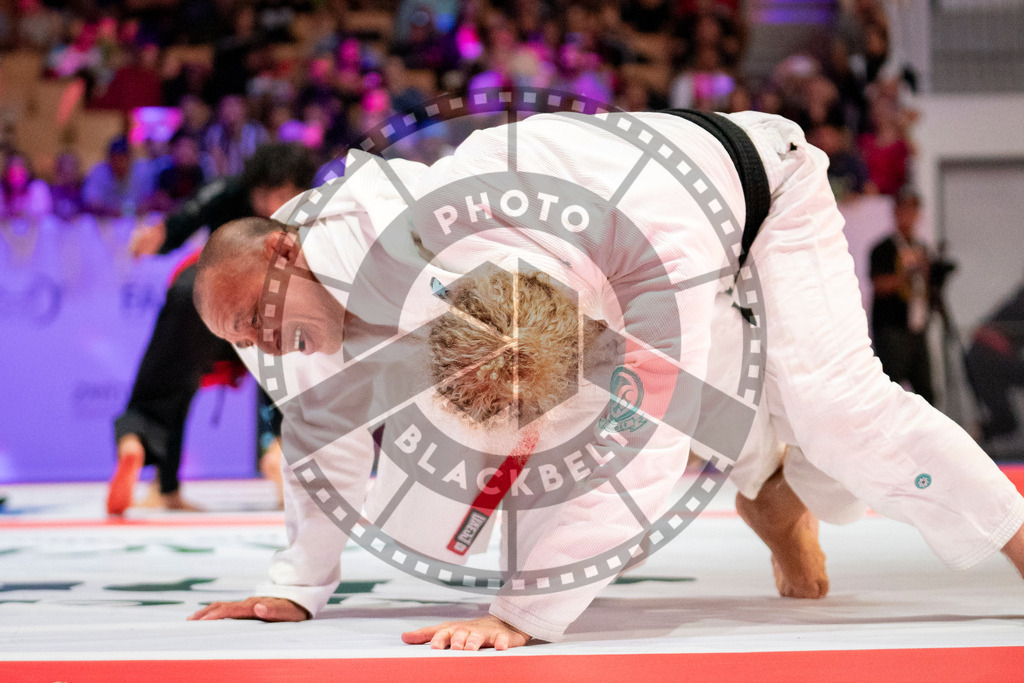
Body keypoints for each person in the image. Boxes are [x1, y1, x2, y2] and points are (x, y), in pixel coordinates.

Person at [188, 109, 1024, 649]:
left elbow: (636, 419)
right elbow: (320, 435)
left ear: (283, 248)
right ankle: (768, 476)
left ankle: (1001, 535)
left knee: (837, 409)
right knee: (510, 422)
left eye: (257, 319)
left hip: (731, 194)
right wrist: (295, 586)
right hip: (597, 244)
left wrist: (522, 613)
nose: (261, 340)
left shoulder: (440, 251)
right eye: (241, 337)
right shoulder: (273, 309)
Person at [107, 143, 317, 514]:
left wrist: (160, 235)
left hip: (201, 294)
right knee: (285, 373)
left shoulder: (232, 189)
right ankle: (279, 452)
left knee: (169, 383)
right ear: (250, 187)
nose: (271, 207)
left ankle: (144, 458)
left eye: (281, 196)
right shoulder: (310, 209)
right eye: (265, 195)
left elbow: (186, 214)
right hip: (249, 301)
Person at [869, 188, 934, 404]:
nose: (909, 215)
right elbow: (879, 284)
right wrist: (907, 274)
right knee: (890, 392)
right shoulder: (883, 249)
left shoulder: (921, 247)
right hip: (892, 331)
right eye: (904, 209)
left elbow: (927, 287)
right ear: (896, 212)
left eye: (913, 210)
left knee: (927, 393)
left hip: (916, 328)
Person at [966, 281, 1024, 447]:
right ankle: (963, 439)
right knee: (1005, 421)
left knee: (1006, 422)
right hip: (985, 359)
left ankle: (966, 437)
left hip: (987, 359)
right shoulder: (1019, 303)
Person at [81, 136, 154, 217]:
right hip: (106, 223)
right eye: (115, 160)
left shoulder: (143, 171)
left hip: (140, 221)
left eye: (122, 159)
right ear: (109, 159)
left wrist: (124, 211)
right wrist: (111, 211)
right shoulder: (99, 173)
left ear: (131, 158)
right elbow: (91, 203)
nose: (118, 164)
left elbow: (151, 201)